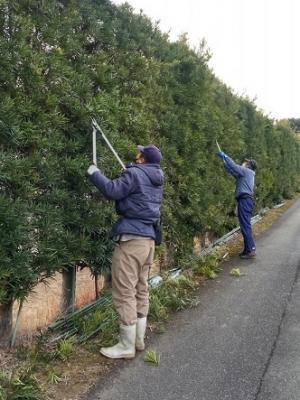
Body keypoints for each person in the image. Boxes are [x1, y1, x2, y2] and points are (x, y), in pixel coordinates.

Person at [87, 144, 164, 359]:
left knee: (124, 291)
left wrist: (95, 173)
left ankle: (126, 346)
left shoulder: (135, 174)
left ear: (142, 159)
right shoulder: (155, 178)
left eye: (139, 153)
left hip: (131, 241)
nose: (135, 154)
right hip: (148, 242)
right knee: (141, 288)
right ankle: (138, 340)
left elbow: (112, 190)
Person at [218, 151, 257, 259]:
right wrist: (227, 166)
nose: (243, 163)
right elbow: (234, 171)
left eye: (245, 162)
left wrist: (225, 156)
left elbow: (234, 166)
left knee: (245, 226)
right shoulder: (246, 175)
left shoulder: (246, 171)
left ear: (249, 165)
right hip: (245, 201)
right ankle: (247, 249)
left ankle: (251, 250)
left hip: (245, 201)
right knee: (245, 225)